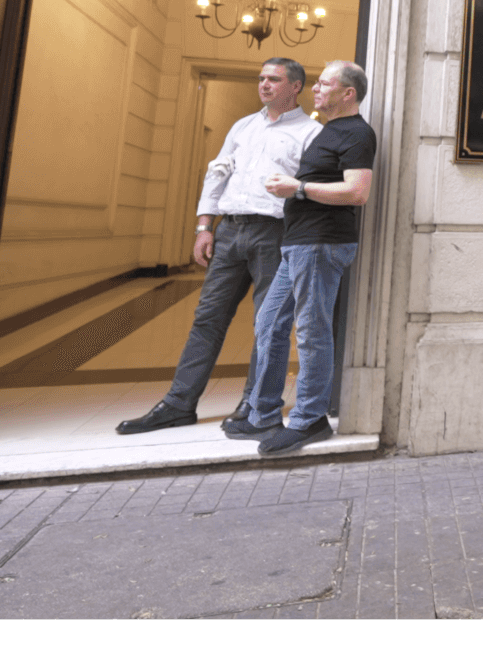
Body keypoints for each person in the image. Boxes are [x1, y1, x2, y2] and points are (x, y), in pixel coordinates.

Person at [116, 58, 320, 434]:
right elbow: (219, 172)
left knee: (268, 323)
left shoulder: (310, 133)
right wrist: (204, 225)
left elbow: (309, 190)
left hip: (274, 233)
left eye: (274, 79)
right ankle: (179, 403)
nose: (264, 85)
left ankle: (254, 403)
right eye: (262, 78)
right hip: (229, 231)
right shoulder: (243, 126)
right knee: (207, 319)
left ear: (295, 87)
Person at [223, 60, 376, 455]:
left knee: (311, 331)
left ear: (348, 94)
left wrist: (298, 188)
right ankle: (264, 414)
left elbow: (357, 191)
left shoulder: (358, 133)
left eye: (325, 85)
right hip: (299, 243)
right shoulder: (329, 131)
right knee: (269, 324)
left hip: (321, 243)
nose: (316, 90)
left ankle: (310, 420)